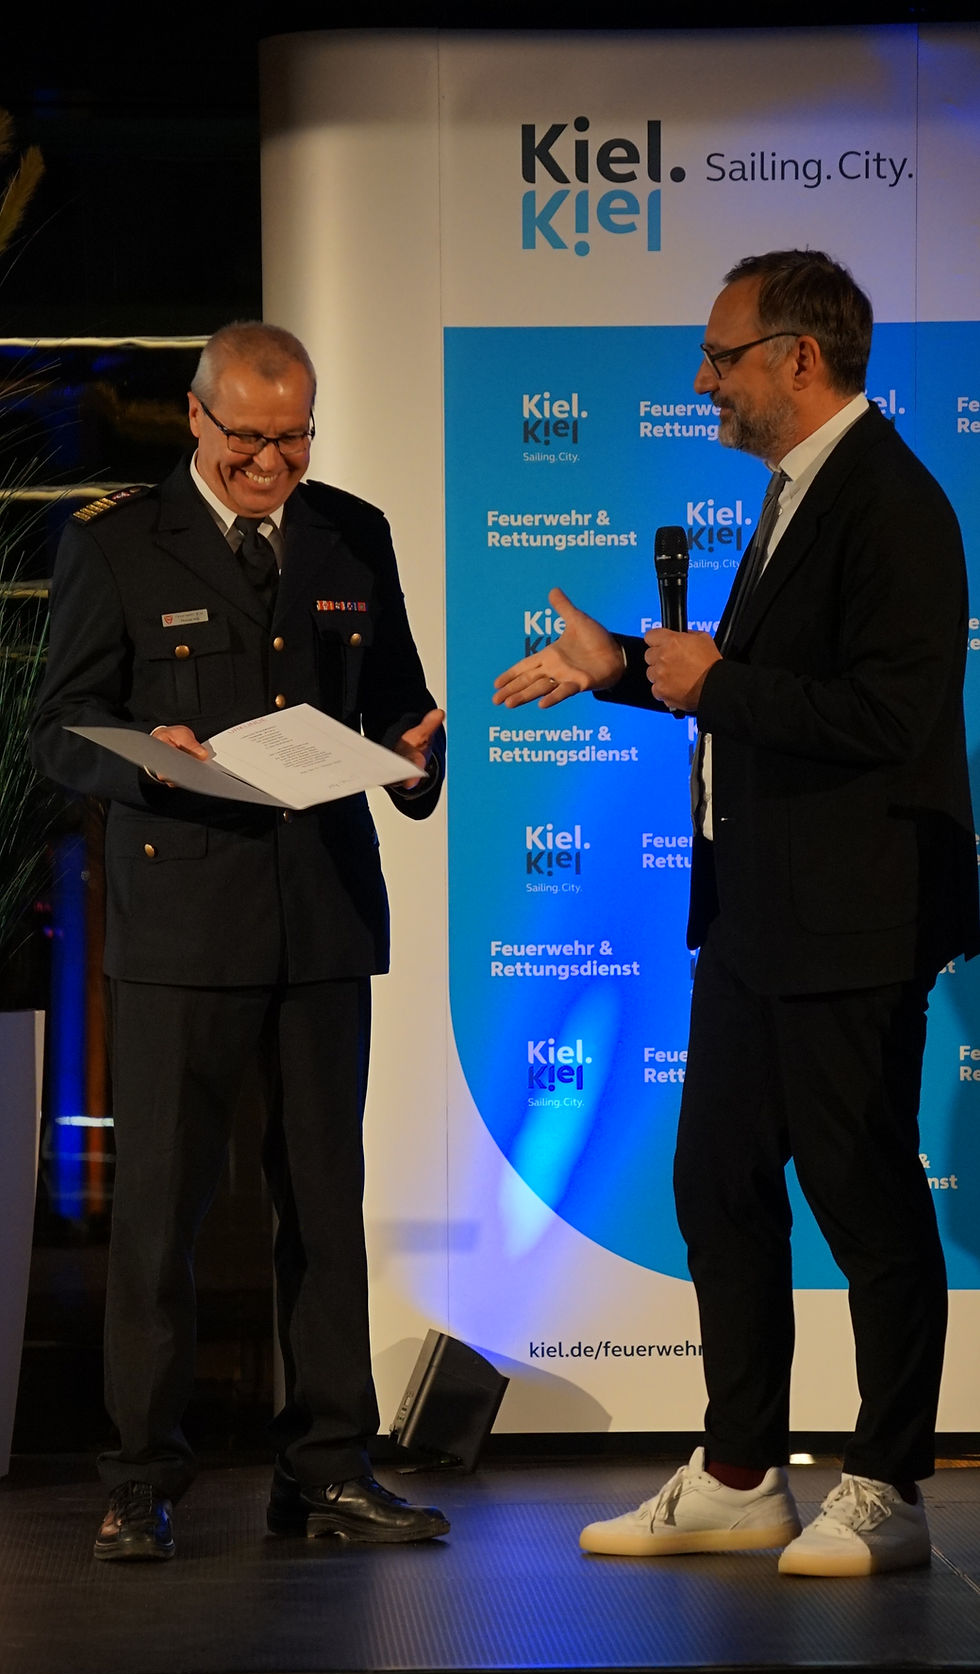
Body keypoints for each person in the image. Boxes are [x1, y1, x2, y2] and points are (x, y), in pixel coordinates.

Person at [494, 251, 979, 1577]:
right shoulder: (793, 492)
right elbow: (747, 684)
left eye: (720, 355)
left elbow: (886, 714)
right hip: (758, 914)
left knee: (864, 1198)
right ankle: (739, 1472)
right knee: (716, 1182)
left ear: (797, 359)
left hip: (853, 915)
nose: (701, 379)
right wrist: (619, 669)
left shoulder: (893, 503)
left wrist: (712, 680)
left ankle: (887, 1481)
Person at [33, 321, 449, 1560]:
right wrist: (149, 763)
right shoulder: (114, 541)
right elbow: (61, 725)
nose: (274, 463)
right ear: (197, 420)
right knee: (159, 1216)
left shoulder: (351, 533)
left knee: (323, 1205)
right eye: (251, 440)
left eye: (296, 437)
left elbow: (398, 705)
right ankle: (139, 1478)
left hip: (320, 919)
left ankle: (326, 1469)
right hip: (180, 930)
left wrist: (416, 759)